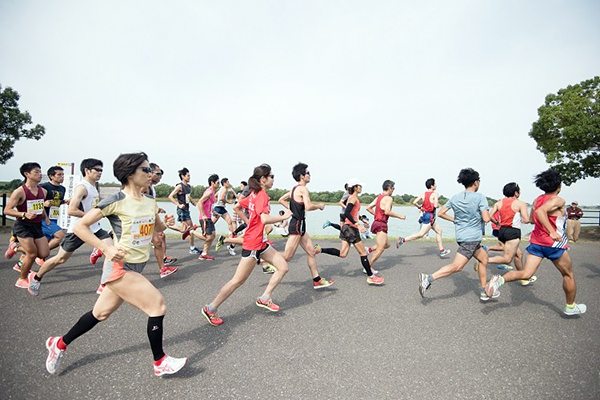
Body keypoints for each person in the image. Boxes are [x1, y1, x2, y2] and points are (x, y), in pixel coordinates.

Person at [44, 152, 187, 376]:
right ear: (130, 174)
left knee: (99, 314)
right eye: (146, 170)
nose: (152, 174)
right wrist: (107, 248)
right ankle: (160, 362)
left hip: (138, 265)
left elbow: (157, 230)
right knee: (157, 306)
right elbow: (81, 226)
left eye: (152, 170)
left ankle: (59, 344)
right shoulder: (116, 201)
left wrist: (166, 223)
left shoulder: (149, 201)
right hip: (120, 268)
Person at [486, 169, 587, 315]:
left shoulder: (537, 200)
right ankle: (570, 307)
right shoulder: (559, 200)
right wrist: (552, 231)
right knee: (568, 274)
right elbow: (540, 213)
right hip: (553, 244)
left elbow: (533, 219)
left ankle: (499, 281)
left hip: (536, 242)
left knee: (526, 273)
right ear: (559, 185)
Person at [202, 164, 292, 326]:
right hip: (252, 245)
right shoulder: (261, 195)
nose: (273, 179)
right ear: (263, 179)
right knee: (237, 281)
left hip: (261, 243)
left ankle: (265, 297)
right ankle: (210, 308)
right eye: (271, 176)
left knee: (283, 267)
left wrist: (249, 222)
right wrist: (283, 216)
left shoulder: (254, 194)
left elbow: (237, 207)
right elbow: (264, 219)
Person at [28, 159, 112, 296]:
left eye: (101, 170)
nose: (100, 172)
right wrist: (92, 215)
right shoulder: (82, 187)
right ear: (87, 170)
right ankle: (36, 277)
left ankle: (104, 285)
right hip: (79, 229)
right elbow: (71, 210)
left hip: (95, 228)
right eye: (97, 169)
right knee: (60, 259)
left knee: (111, 250)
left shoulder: (93, 187)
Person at [418, 168, 492, 301]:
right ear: (476, 182)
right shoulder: (480, 197)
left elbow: (440, 213)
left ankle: (483, 290)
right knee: (457, 266)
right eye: (479, 181)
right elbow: (486, 218)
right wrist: (493, 217)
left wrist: (455, 220)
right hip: (471, 238)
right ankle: (428, 278)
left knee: (484, 259)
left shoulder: (455, 197)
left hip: (463, 236)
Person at [315, 179, 385, 285]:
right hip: (351, 229)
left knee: (343, 254)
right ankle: (371, 276)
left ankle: (320, 249)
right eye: (360, 186)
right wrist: (357, 224)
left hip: (346, 228)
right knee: (363, 253)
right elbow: (347, 213)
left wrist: (361, 220)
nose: (361, 187)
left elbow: (352, 213)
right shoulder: (352, 198)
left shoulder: (353, 198)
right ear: (355, 187)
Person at [278, 163, 333, 289]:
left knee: (311, 251)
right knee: (287, 256)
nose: (310, 175)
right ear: (302, 176)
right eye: (307, 173)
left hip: (300, 224)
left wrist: (293, 210)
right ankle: (262, 258)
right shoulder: (303, 189)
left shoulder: (293, 189)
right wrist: (319, 206)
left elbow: (281, 199)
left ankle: (317, 280)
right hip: (297, 225)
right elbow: (308, 206)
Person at [3, 162, 50, 288]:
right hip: (23, 226)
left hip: (37, 225)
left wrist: (46, 217)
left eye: (40, 172)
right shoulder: (20, 192)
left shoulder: (43, 191)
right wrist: (24, 214)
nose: (40, 174)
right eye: (36, 172)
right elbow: (7, 210)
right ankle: (22, 279)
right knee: (32, 254)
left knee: (44, 253)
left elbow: (40, 206)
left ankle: (15, 247)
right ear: (27, 174)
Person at [397, 178, 450, 258]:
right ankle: (402, 240)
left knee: (439, 231)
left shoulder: (423, 194)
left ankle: (442, 251)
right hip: (430, 216)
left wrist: (420, 207)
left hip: (426, 215)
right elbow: (435, 205)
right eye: (435, 184)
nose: (436, 185)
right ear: (432, 186)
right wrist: (437, 205)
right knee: (421, 234)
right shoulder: (435, 194)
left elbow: (414, 202)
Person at [486, 183, 530, 279]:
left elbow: (490, 216)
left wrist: (497, 223)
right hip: (513, 232)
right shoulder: (520, 203)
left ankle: (523, 276)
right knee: (507, 259)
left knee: (518, 254)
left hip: (502, 231)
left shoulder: (499, 203)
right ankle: (484, 260)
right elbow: (526, 220)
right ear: (516, 193)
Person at [146, 163, 179, 278]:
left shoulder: (151, 188)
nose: (160, 177)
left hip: (149, 217)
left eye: (161, 174)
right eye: (158, 174)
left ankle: (163, 267)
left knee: (159, 239)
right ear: (149, 173)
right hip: (140, 220)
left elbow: (149, 203)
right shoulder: (142, 187)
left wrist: (157, 209)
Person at [365, 180, 406, 268]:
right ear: (389, 188)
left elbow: (368, 208)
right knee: (381, 248)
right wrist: (399, 216)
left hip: (376, 223)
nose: (393, 190)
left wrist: (376, 215)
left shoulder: (378, 197)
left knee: (387, 244)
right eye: (393, 188)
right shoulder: (389, 198)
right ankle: (368, 268)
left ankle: (369, 249)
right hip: (381, 224)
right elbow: (387, 211)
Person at [188, 174, 219, 260]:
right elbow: (200, 202)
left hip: (208, 216)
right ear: (212, 183)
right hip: (204, 217)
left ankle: (204, 253)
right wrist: (204, 214)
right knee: (208, 237)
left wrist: (213, 211)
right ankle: (191, 231)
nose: (218, 184)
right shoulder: (208, 191)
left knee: (212, 235)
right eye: (217, 182)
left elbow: (209, 204)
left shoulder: (212, 192)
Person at [168, 168, 199, 254]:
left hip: (187, 209)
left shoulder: (188, 186)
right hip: (182, 210)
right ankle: (192, 248)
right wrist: (178, 205)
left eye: (190, 176)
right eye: (188, 176)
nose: (189, 177)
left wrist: (193, 202)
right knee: (191, 228)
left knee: (184, 230)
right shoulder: (179, 186)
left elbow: (188, 196)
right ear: (183, 176)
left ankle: (168, 225)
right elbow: (170, 196)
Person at [39, 166, 67, 254]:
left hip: (54, 217)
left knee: (46, 241)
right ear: (51, 176)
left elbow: (56, 202)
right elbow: (34, 202)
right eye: (59, 174)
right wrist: (44, 204)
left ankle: (21, 262)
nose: (62, 176)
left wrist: (64, 202)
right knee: (60, 236)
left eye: (63, 174)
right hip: (43, 218)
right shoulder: (44, 187)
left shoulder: (63, 189)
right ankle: (39, 254)